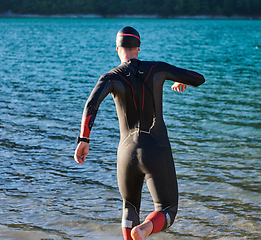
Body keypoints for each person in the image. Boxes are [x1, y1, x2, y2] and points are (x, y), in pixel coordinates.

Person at [74, 26, 205, 240]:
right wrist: (181, 80)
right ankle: (143, 230)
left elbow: (91, 105)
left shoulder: (110, 77)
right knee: (167, 208)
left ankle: (134, 232)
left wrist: (83, 139)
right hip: (155, 149)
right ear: (139, 47)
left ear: (117, 48)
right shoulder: (157, 68)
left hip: (126, 153)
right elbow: (198, 78)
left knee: (129, 207)